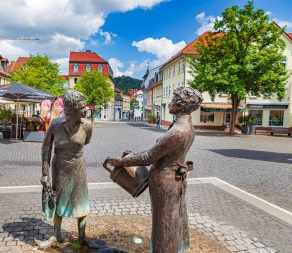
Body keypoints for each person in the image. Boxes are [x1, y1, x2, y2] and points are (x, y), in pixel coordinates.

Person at [104, 87, 203, 253]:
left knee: (163, 224)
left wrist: (123, 161)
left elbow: (149, 157)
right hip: (173, 179)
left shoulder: (178, 131)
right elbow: (156, 152)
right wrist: (130, 158)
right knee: (170, 221)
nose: (170, 102)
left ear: (180, 104)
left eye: (173, 100)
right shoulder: (187, 127)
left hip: (165, 181)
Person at [40, 90, 97, 248]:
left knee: (82, 200)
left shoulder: (87, 126)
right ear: (71, 109)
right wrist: (45, 173)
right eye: (81, 108)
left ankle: (82, 236)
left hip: (78, 165)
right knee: (59, 198)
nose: (84, 111)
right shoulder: (56, 124)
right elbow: (46, 147)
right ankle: (56, 234)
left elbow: (85, 143)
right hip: (60, 166)